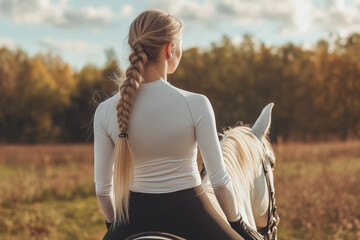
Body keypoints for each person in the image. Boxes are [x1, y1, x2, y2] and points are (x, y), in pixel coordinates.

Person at [93, 9, 263, 240]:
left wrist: (114, 226)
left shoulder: (104, 111)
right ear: (170, 49)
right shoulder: (195, 103)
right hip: (193, 213)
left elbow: (103, 191)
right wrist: (240, 225)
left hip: (131, 219)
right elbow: (219, 182)